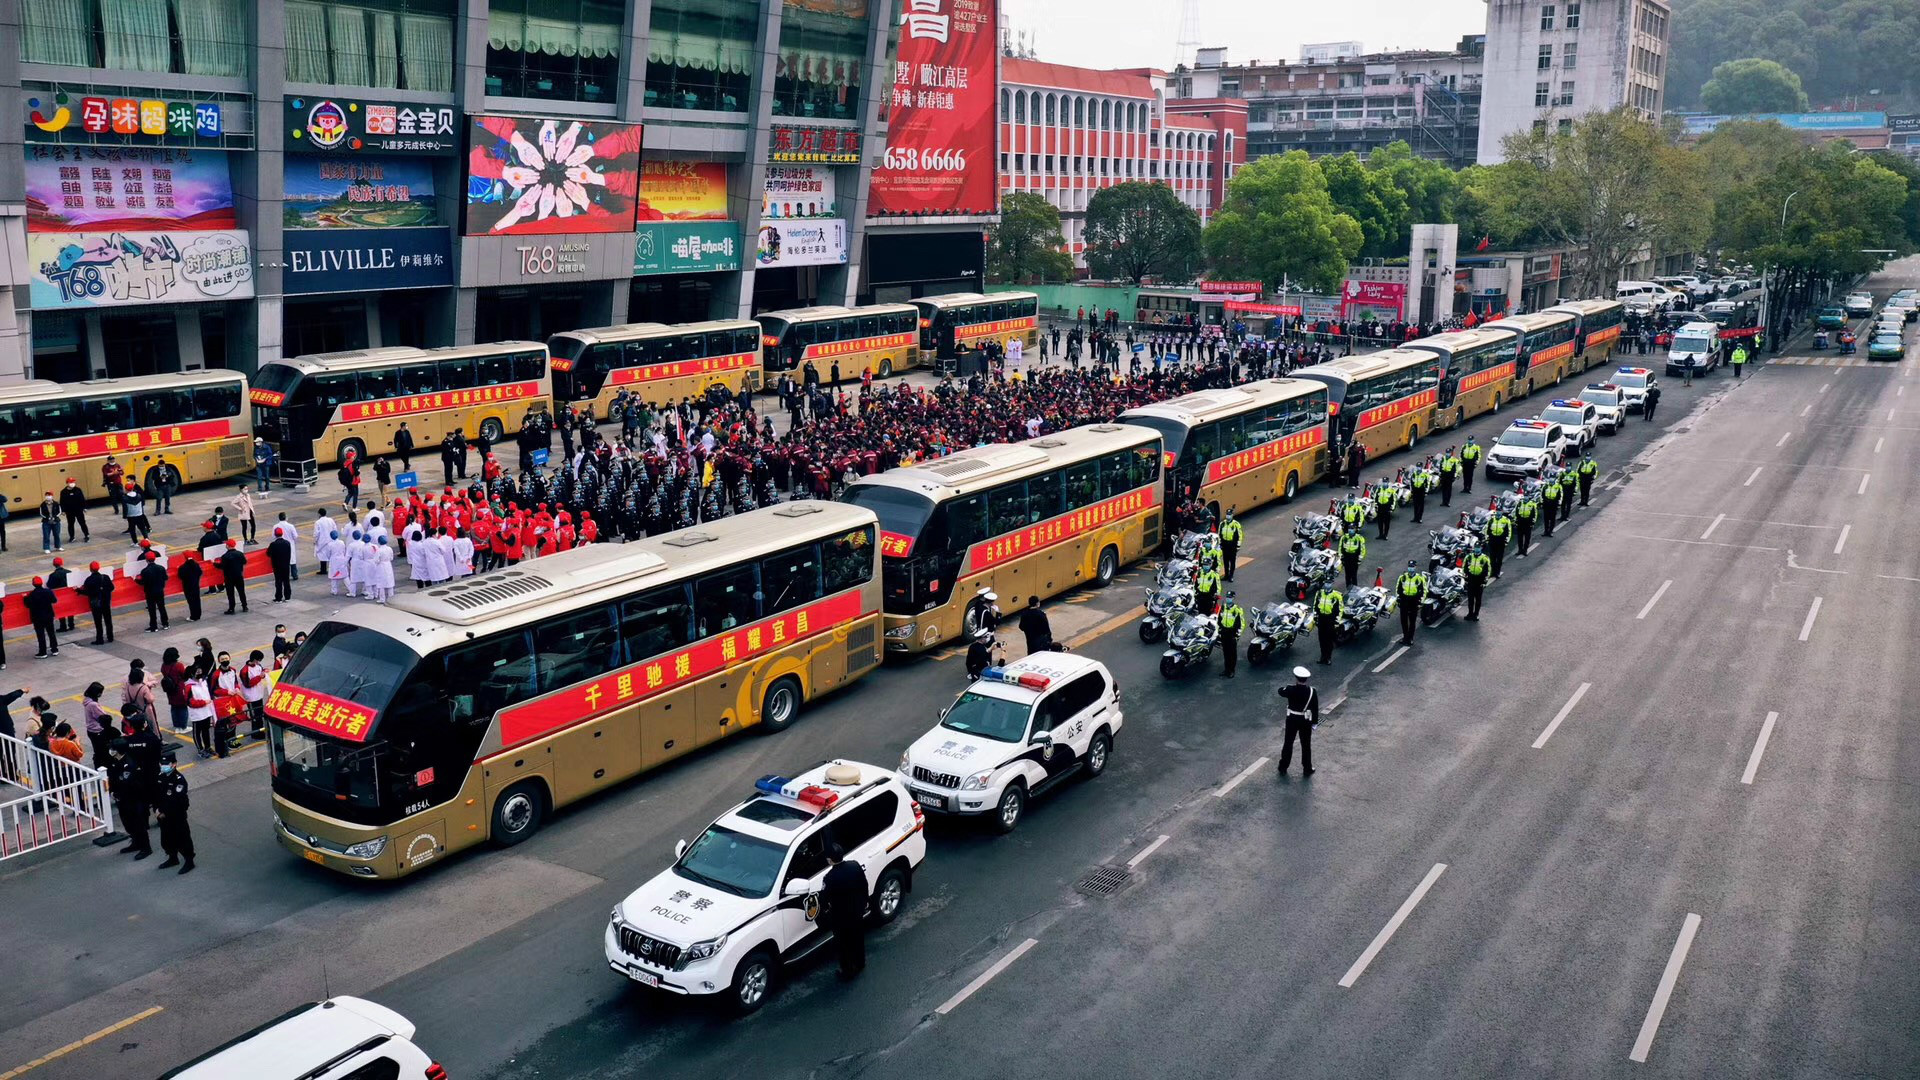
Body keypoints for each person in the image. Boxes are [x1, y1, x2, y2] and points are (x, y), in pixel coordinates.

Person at [117, 711, 163, 860]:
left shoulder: (128, 742)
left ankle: (141, 835)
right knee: (157, 802)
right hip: (152, 777)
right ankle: (160, 825)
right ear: (144, 724)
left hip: (137, 780)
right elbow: (158, 755)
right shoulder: (152, 739)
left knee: (139, 812)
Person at [821, 843, 870, 979]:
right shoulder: (854, 865)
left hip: (840, 917)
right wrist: (864, 902)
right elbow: (864, 885)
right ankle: (860, 963)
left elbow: (823, 900)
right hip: (857, 910)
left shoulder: (829, 878)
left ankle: (848, 971)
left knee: (844, 945)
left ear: (830, 860)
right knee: (858, 938)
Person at [153, 758, 194, 874]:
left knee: (183, 838)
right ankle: (172, 858)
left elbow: (175, 800)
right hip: (162, 815)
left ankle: (189, 861)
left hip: (176, 815)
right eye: (162, 764)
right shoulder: (160, 776)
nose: (163, 766)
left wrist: (163, 811)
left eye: (167, 764)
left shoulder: (179, 780)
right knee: (167, 838)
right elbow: (156, 795)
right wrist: (156, 809)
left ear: (174, 764)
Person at [1276, 667, 1319, 777]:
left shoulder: (1290, 689)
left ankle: (1283, 766)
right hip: (1305, 720)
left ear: (1296, 678)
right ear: (1306, 679)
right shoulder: (1312, 691)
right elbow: (1315, 708)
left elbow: (1280, 691)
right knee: (1306, 745)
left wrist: (1286, 687)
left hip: (1292, 719)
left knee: (1288, 743)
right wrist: (1314, 722)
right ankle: (1307, 768)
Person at [183, 662, 216, 760]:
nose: (200, 674)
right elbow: (190, 702)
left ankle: (208, 747)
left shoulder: (204, 681)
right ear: (192, 674)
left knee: (206, 730)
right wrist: (204, 702)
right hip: (197, 714)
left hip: (206, 712)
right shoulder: (189, 686)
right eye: (197, 672)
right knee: (197, 733)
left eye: (200, 672)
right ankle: (200, 750)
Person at [1394, 560, 1428, 646]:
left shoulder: (1419, 578)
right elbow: (1398, 588)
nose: (1410, 568)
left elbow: (1424, 591)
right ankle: (1405, 637)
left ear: (1415, 567)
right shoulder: (1402, 577)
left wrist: (1421, 601)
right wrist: (1398, 598)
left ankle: (1410, 638)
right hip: (1404, 600)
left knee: (1412, 621)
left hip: (1414, 601)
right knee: (1403, 621)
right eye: (1409, 566)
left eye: (1412, 567)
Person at [80, 560, 114, 643]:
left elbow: (87, 592)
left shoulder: (89, 580)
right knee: (108, 620)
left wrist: (78, 590)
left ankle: (100, 639)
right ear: (99, 568)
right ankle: (110, 637)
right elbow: (112, 587)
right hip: (106, 602)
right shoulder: (105, 577)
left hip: (96, 604)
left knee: (98, 622)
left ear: (90, 569)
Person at [25, 575, 58, 658]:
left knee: (41, 635)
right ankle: (54, 649)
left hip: (38, 618)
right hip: (48, 616)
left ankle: (43, 652)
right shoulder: (48, 591)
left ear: (33, 584)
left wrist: (25, 597)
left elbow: (28, 605)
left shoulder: (32, 595)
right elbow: (54, 600)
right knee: (51, 633)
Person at [82, 684, 114, 767]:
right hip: (97, 730)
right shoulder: (93, 704)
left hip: (91, 730)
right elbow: (102, 716)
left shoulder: (87, 700)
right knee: (102, 751)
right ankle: (101, 766)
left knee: (97, 749)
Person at [139, 552, 170, 632]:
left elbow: (142, 582)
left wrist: (135, 579)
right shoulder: (161, 568)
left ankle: (154, 626)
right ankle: (165, 624)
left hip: (150, 593)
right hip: (160, 591)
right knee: (162, 607)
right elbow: (165, 578)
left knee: (152, 609)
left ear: (146, 560)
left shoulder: (145, 571)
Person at [1313, 584, 1344, 665]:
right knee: (1321, 639)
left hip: (1330, 619)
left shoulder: (1336, 596)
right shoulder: (1319, 593)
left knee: (1328, 639)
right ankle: (1322, 656)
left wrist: (1337, 621)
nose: (1326, 591)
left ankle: (1328, 657)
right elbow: (1315, 605)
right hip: (1321, 618)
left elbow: (1340, 609)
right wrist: (1315, 616)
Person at [219, 539, 250, 613]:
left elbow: (222, 566)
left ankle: (231, 608)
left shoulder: (225, 556)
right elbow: (244, 562)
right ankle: (244, 606)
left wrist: (214, 564)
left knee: (230, 593)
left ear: (227, 546)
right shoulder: (240, 554)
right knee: (241, 592)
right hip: (239, 576)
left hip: (229, 577)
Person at [1218, 593, 1244, 678]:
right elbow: (1219, 619)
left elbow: (1241, 624)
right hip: (1224, 633)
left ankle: (1231, 670)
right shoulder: (1223, 607)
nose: (1228, 599)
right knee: (1225, 652)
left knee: (1232, 654)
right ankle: (1226, 670)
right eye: (1227, 597)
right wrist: (1219, 630)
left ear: (1233, 598)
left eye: (1230, 597)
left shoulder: (1237, 610)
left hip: (1232, 634)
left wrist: (1237, 635)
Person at [1463, 546, 1492, 620]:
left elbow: (1488, 571)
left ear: (1481, 548)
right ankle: (1470, 613)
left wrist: (1485, 581)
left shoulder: (1485, 558)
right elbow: (1464, 568)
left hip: (1480, 581)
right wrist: (1465, 578)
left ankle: (1476, 614)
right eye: (1476, 547)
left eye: (1478, 548)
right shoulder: (1469, 557)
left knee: (1478, 599)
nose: (1477, 549)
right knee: (1470, 599)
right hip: (1470, 580)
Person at [1484, 506, 1511, 580]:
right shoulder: (1491, 520)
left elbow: (1509, 531)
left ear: (1502, 512)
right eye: (1497, 511)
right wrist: (1487, 539)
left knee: (1499, 558)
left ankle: (1497, 572)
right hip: (1492, 540)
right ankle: (1493, 572)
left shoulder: (1506, 520)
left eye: (1500, 511)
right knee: (1492, 558)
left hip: (1501, 541)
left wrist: (1506, 541)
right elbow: (1487, 530)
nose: (1498, 512)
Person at [59, 477, 90, 543]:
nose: (72, 483)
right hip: (69, 511)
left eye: (73, 482)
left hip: (78, 510)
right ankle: (72, 537)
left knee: (82, 523)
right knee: (70, 524)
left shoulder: (78, 490)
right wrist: (63, 510)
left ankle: (87, 535)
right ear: (67, 483)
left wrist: (84, 507)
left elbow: (82, 499)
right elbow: (62, 502)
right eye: (71, 482)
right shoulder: (63, 492)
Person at [268, 528, 294, 602]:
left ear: (275, 535)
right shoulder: (287, 543)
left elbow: (268, 553)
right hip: (286, 565)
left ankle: (278, 598)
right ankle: (287, 596)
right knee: (286, 581)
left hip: (277, 566)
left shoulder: (273, 544)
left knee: (278, 582)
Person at [177, 553, 204, 621]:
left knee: (191, 602)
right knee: (197, 600)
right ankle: (198, 615)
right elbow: (200, 572)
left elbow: (180, 576)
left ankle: (193, 616)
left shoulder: (183, 567)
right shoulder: (196, 564)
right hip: (196, 585)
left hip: (188, 586)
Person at [1219, 510, 1243, 581]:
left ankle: (1231, 576)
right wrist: (1220, 543)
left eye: (1229, 514)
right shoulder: (1222, 524)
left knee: (1232, 561)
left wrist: (1238, 545)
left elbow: (1240, 535)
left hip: (1232, 545)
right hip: (1224, 544)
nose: (1228, 516)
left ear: (1232, 515)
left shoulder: (1236, 524)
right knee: (1225, 561)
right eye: (1227, 514)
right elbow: (1219, 534)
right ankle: (1226, 575)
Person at [1514, 489, 1536, 558]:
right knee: (1520, 538)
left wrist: (1532, 523)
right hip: (1520, 522)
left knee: (1527, 538)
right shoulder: (1520, 503)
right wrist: (1516, 521)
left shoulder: (1532, 505)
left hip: (1528, 522)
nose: (1526, 498)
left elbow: (1534, 515)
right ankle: (1520, 550)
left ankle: (1525, 550)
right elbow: (1516, 512)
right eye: (1525, 496)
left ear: (1529, 497)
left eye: (1527, 496)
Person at [1541, 473, 1562, 538]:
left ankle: (1550, 531)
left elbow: (1560, 495)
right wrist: (1542, 502)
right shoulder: (1545, 486)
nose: (1551, 479)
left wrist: (1559, 503)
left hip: (1554, 503)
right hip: (1546, 503)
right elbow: (1542, 494)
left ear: (1555, 479)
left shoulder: (1558, 486)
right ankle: (1546, 531)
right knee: (1546, 518)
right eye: (1550, 477)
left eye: (1553, 478)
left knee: (1552, 518)